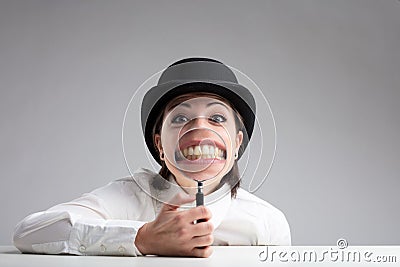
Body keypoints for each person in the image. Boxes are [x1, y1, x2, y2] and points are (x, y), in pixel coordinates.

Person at [13, 57, 291, 258]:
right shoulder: (127, 197)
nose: (199, 128)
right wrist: (143, 238)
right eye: (180, 117)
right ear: (159, 144)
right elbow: (30, 232)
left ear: (237, 143)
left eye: (217, 118)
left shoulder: (266, 222)